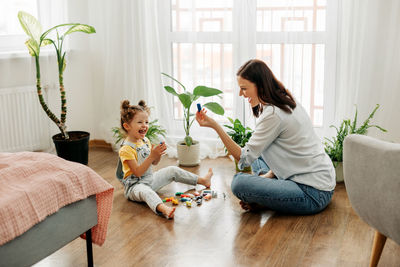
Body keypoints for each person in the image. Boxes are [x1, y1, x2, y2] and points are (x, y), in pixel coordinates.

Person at [196, 59, 335, 215]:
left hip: (311, 192)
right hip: (319, 181)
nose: (241, 94)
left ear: (260, 86)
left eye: (244, 88)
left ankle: (268, 196)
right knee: (259, 156)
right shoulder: (285, 99)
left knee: (239, 183)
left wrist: (215, 125)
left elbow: (243, 158)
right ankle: (269, 192)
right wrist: (268, 177)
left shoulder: (274, 114)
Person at [117, 100, 213, 219]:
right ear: (127, 126)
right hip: (135, 187)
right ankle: (163, 208)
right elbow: (137, 172)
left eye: (146, 122)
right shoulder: (125, 149)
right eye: (140, 122)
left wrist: (157, 155)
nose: (145, 125)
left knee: (172, 170)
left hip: (150, 180)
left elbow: (154, 163)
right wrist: (152, 155)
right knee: (146, 192)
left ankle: (203, 181)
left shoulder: (144, 141)